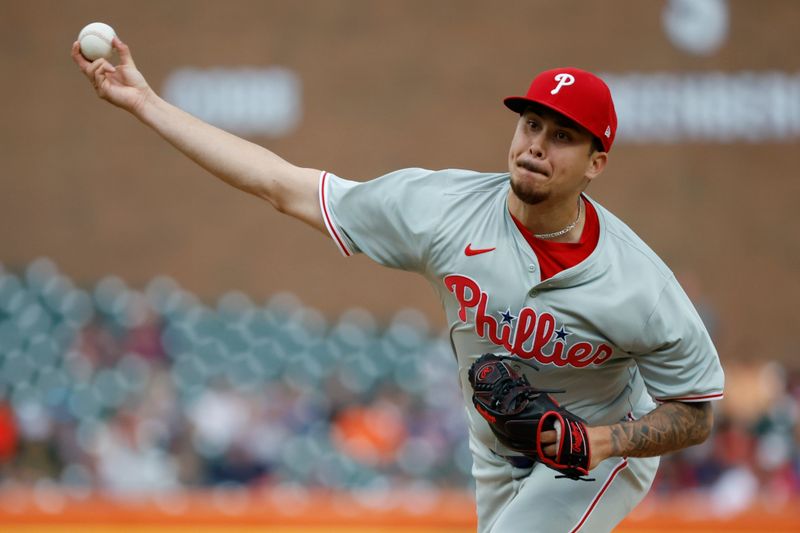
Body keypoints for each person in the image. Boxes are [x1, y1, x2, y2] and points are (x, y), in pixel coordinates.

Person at [72, 37, 725, 533]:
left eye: (562, 136)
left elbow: (696, 411)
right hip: (496, 442)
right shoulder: (441, 210)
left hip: (598, 448)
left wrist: (602, 441)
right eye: (531, 124)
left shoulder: (637, 284)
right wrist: (146, 104)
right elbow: (281, 184)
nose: (535, 144)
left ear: (596, 163)